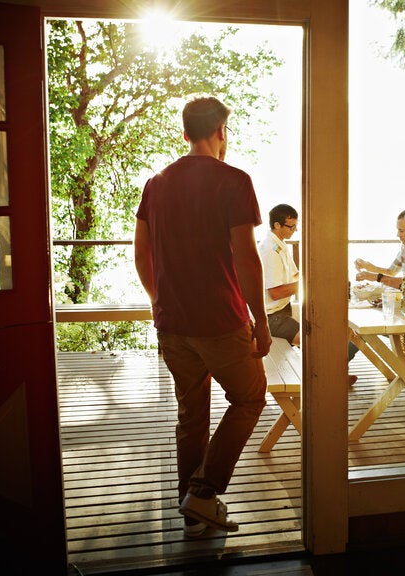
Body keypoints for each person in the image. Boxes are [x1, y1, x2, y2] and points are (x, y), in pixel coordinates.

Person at [133, 95, 270, 537]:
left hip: (172, 323)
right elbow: (246, 258)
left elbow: (141, 253)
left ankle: (193, 514)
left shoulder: (156, 184)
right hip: (220, 322)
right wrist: (261, 320)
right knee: (250, 398)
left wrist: (159, 300)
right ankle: (204, 492)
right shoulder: (234, 180)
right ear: (220, 133)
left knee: (191, 415)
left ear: (185, 133)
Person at [259, 203, 360, 385]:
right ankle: (332, 378)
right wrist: (313, 284)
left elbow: (295, 276)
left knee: (336, 328)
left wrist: (321, 275)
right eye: (291, 227)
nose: (295, 230)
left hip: (283, 310)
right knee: (317, 340)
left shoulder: (279, 245)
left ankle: (334, 372)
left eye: (296, 226)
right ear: (277, 225)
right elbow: (276, 292)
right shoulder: (270, 251)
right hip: (271, 318)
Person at [354, 208, 405, 295]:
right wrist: (367, 266)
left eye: (401, 231)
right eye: (398, 230)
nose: (397, 235)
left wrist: (375, 277)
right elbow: (391, 272)